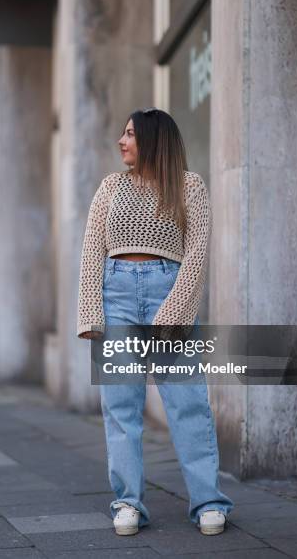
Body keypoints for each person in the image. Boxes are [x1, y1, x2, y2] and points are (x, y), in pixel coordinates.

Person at [76, 107, 234, 536]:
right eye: (122, 133)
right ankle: (127, 501)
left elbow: (198, 252)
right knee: (120, 406)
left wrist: (175, 310)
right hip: (117, 295)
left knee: (187, 404)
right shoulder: (110, 187)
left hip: (169, 288)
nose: (122, 141)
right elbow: (92, 251)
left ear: (152, 139)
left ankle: (208, 501)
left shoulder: (189, 186)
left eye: (129, 134)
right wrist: (91, 311)